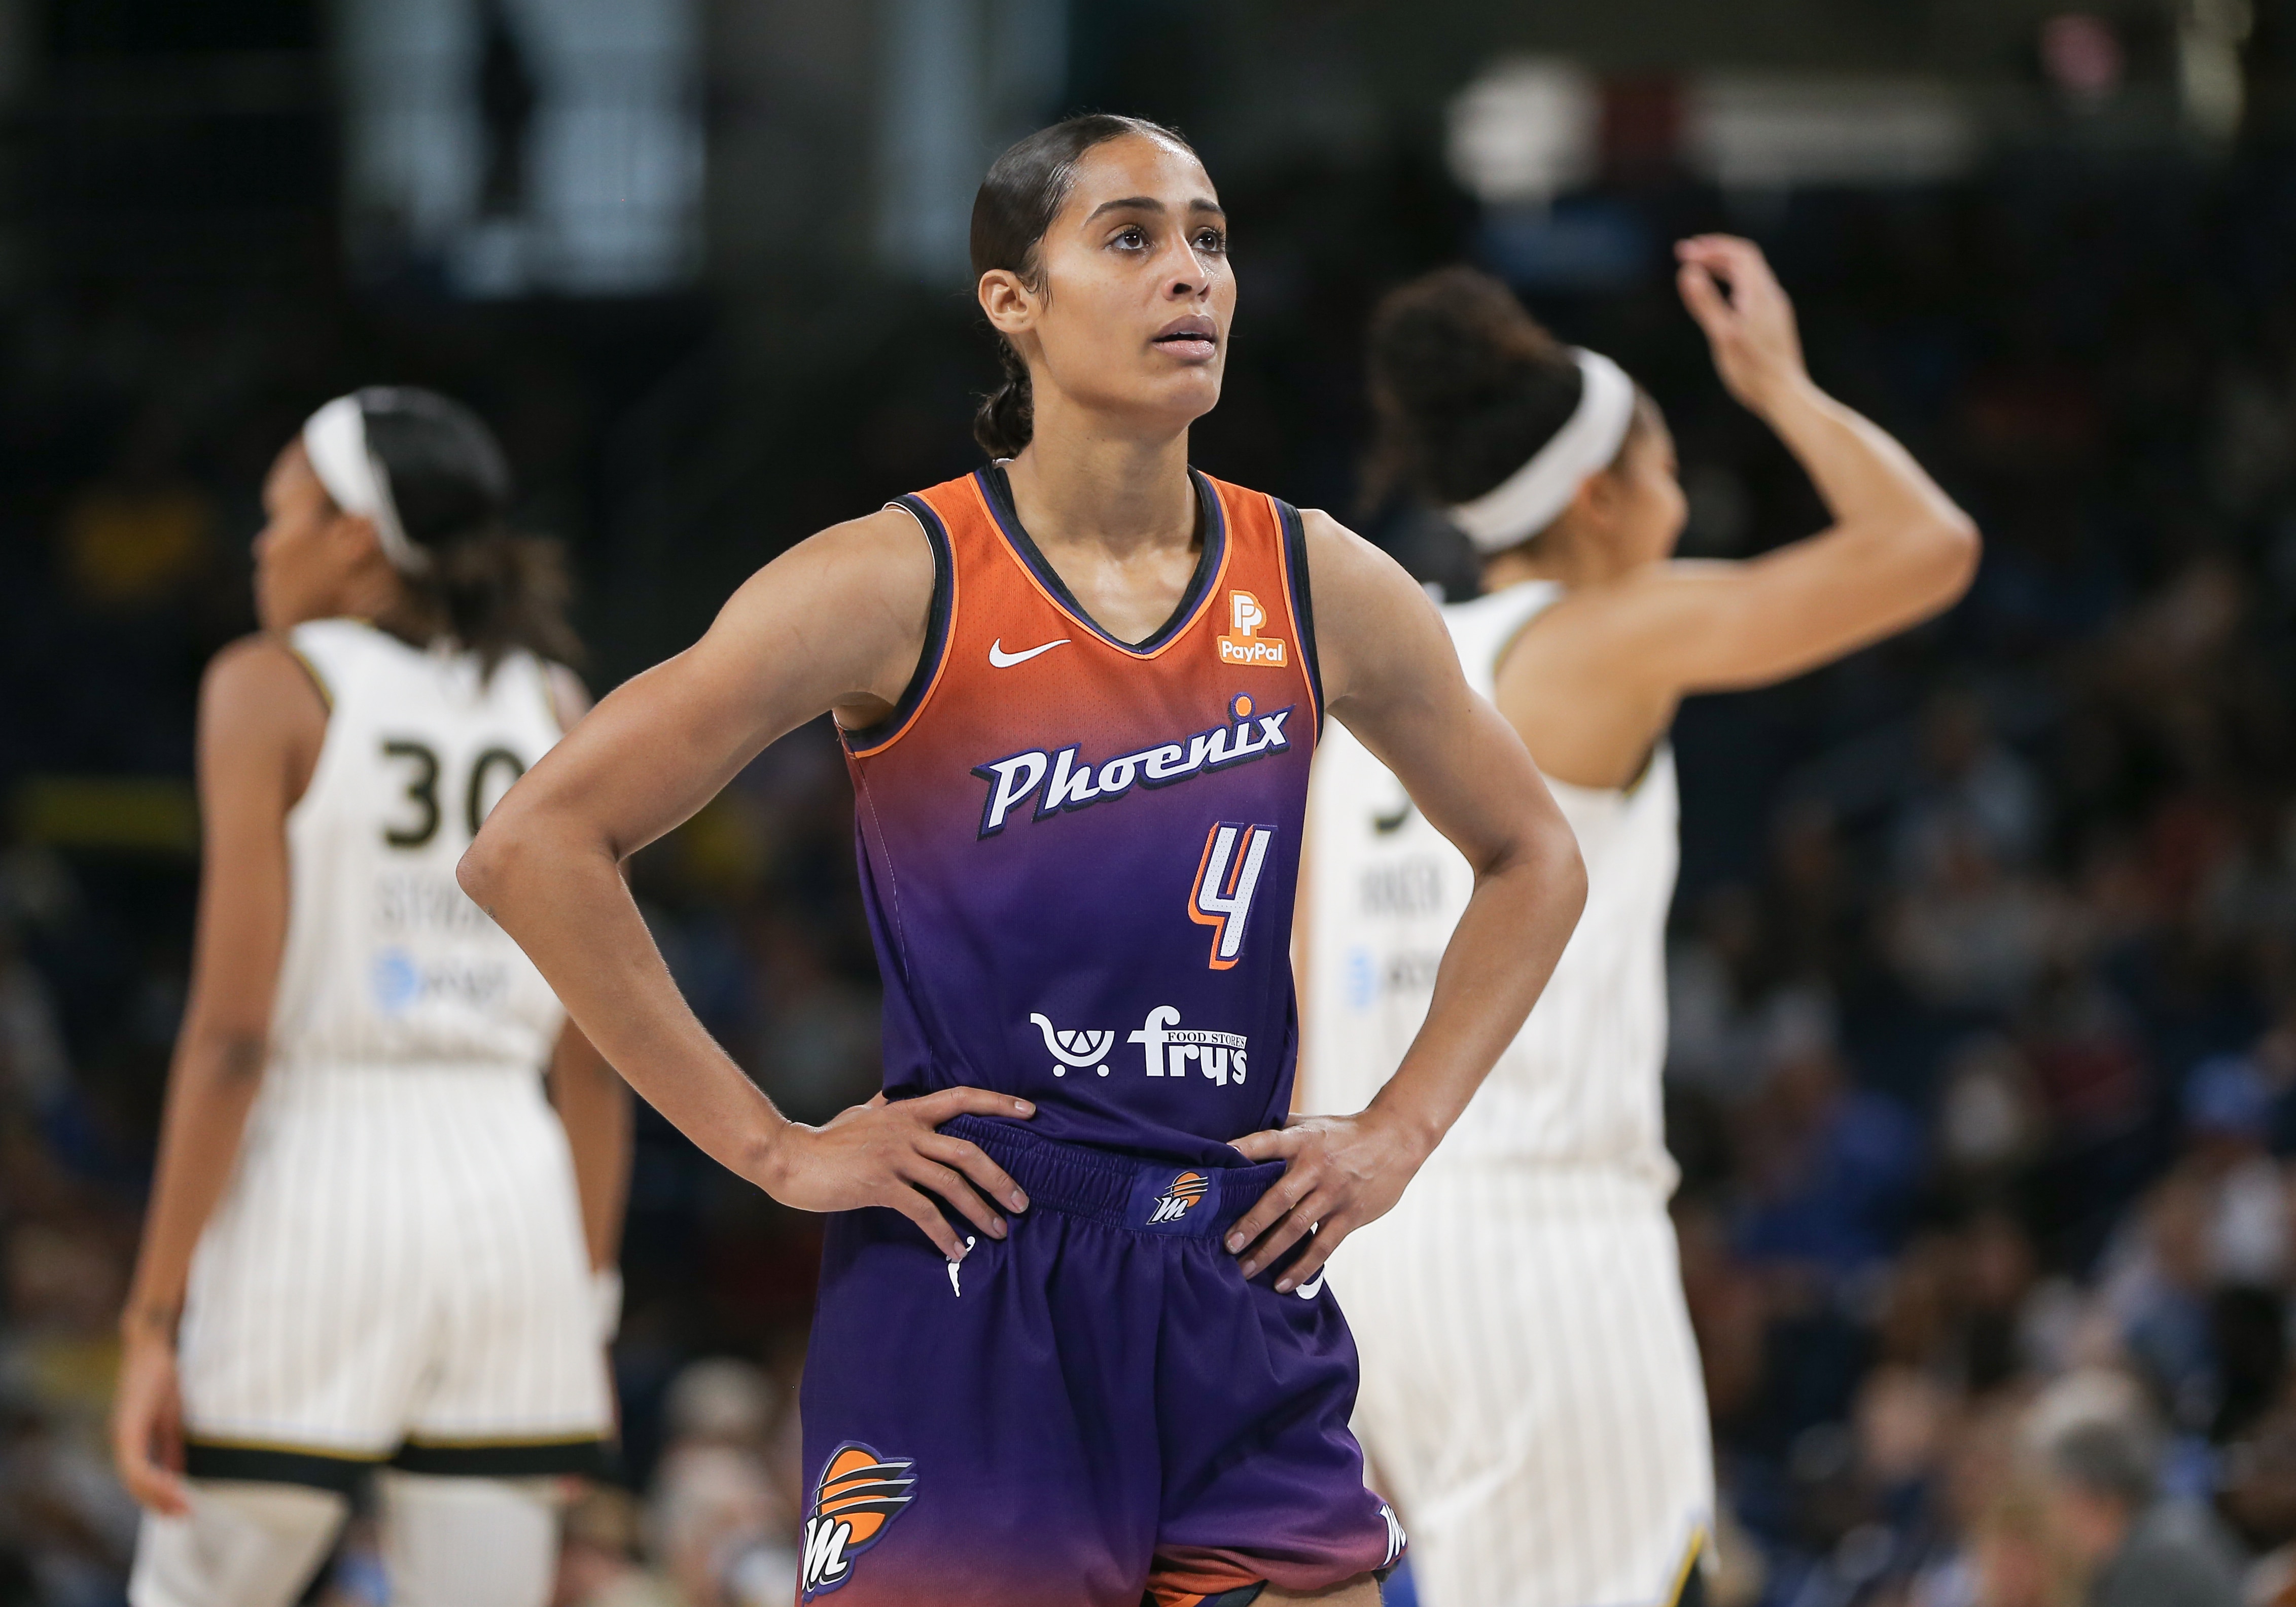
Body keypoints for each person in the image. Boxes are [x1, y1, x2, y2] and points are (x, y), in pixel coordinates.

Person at [458, 114, 1587, 1607]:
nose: (1188, 273)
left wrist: (1400, 1129)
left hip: (1232, 1272)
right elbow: (535, 844)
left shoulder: (1322, 581)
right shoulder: (893, 577)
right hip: (971, 1275)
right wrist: (770, 1148)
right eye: (1130, 238)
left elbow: (1534, 857)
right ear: (1013, 301)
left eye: (1209, 237)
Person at [1301, 240, 1980, 1607]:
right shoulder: (1600, 635)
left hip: (1357, 1245)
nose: (1681, 500)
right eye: (1668, 468)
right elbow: (1929, 549)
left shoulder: (1370, 687)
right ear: (1602, 493)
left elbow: (1307, 980)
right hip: (1539, 1237)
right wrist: (1781, 385)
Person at [110, 388, 630, 1607]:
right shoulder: (557, 705)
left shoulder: (268, 684)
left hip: (319, 1182)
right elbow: (598, 1053)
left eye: (281, 510)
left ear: (353, 535)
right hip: (520, 1205)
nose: (261, 542)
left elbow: (233, 1037)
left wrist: (151, 1320)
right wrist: (587, 1296)